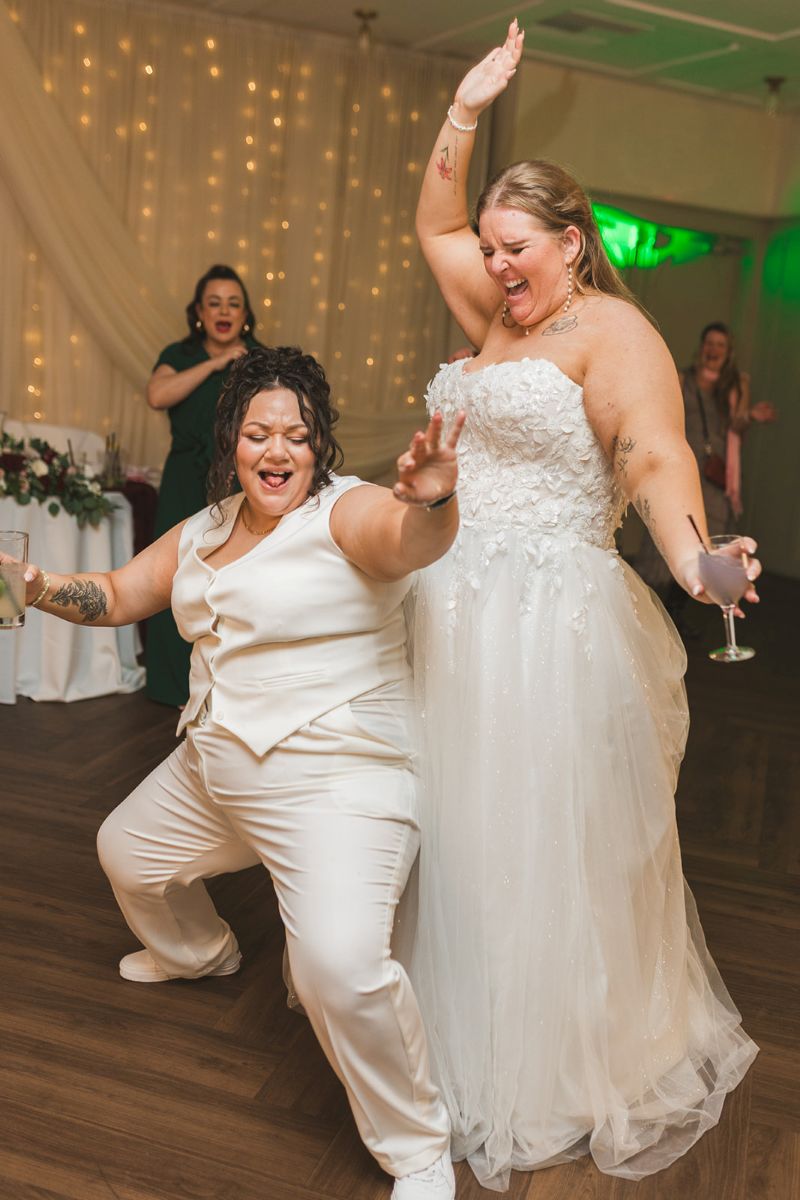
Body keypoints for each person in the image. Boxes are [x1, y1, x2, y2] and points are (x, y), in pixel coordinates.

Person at [407, 19, 760, 1191]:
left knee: (532, 842)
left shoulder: (612, 334)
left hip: (543, 624)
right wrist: (462, 110)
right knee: (449, 835)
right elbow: (432, 224)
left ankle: (547, 1065)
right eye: (493, 251)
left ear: (571, 242)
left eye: (518, 250)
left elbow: (657, 462)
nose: (495, 266)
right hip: (449, 602)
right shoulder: (494, 318)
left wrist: (699, 566)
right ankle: (443, 1049)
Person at [6, 345, 466, 1200]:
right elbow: (115, 593)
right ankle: (203, 952)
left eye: (296, 433)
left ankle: (417, 1146)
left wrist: (433, 496)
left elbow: (411, 541)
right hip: (214, 766)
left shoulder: (347, 512)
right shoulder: (207, 526)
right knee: (125, 851)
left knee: (335, 964)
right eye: (259, 433)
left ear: (318, 441)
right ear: (234, 442)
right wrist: (33, 586)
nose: (277, 451)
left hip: (339, 779)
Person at [145, 264, 263, 708]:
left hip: (238, 481)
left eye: (233, 303)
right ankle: (172, 684)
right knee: (170, 575)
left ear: (246, 312)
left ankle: (224, 687)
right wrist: (216, 362)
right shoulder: (180, 353)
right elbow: (158, 396)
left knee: (229, 576)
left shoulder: (258, 358)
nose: (224, 311)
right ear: (198, 311)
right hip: (183, 479)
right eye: (214, 303)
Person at [635, 321, 776, 605]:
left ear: (728, 352)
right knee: (669, 536)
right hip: (683, 467)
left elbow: (737, 423)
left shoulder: (735, 385)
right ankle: (649, 609)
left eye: (720, 345)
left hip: (713, 475)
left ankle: (678, 612)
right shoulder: (682, 378)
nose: (713, 349)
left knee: (705, 543)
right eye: (709, 343)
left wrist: (752, 417)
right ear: (702, 347)